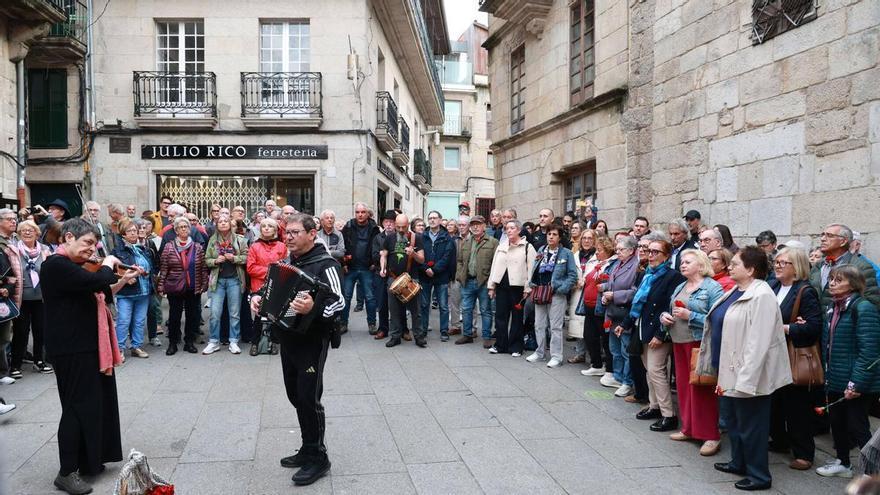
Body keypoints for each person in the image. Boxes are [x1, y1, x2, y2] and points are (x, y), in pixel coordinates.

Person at [42, 218, 140, 495]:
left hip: (88, 344)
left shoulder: (74, 267)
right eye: (87, 243)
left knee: (93, 405)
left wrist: (123, 279)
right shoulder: (55, 265)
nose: (91, 250)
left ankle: (88, 460)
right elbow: (97, 279)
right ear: (68, 237)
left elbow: (101, 291)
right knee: (76, 408)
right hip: (71, 348)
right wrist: (108, 263)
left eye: (94, 245)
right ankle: (66, 472)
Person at [249, 213, 343, 486]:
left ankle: (319, 457)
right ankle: (307, 447)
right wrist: (256, 298)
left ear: (312, 234)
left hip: (312, 341)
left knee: (308, 398)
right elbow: (269, 290)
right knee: (295, 395)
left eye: (294, 232)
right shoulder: (287, 262)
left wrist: (314, 308)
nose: (288, 237)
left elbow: (339, 302)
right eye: (286, 233)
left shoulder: (327, 264)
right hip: (288, 337)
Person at [699, 246, 792, 491]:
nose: (730, 266)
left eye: (736, 263)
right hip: (729, 369)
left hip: (748, 374)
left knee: (752, 427)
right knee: (734, 421)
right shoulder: (737, 289)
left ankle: (759, 476)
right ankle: (738, 462)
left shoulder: (762, 295)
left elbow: (758, 343)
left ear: (751, 270)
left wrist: (747, 379)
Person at [815, 265, 880, 479]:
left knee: (857, 426)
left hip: (855, 380)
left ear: (853, 284)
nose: (832, 283)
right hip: (836, 377)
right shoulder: (833, 307)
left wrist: (856, 383)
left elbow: (870, 351)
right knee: (838, 423)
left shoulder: (863, 308)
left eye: (839, 280)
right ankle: (843, 463)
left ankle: (873, 473)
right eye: (831, 279)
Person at [662, 249, 724, 456]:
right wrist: (665, 318)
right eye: (682, 262)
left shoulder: (712, 287)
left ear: (701, 264)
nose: (683, 265)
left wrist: (691, 315)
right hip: (679, 341)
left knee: (701, 388)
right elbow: (672, 310)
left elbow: (718, 318)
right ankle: (688, 428)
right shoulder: (681, 285)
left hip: (699, 344)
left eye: (688, 262)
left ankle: (711, 435)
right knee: (684, 387)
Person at [766, 247, 823, 470]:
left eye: (783, 263)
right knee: (775, 402)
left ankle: (804, 453)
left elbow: (813, 327)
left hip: (793, 355)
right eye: (777, 262)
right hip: (773, 353)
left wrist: (787, 328)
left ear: (796, 267)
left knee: (797, 406)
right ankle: (780, 440)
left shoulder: (805, 291)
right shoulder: (772, 286)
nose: (778, 266)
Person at [617, 240, 685, 425]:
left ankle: (669, 414)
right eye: (649, 251)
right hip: (643, 328)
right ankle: (654, 406)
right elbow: (639, 305)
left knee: (656, 371)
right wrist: (625, 323)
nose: (651, 255)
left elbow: (669, 308)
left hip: (659, 331)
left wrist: (660, 335)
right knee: (649, 370)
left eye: (656, 252)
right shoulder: (647, 274)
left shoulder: (673, 276)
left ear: (667, 256)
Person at [526, 223, 578, 368]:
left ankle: (556, 356)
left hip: (556, 294)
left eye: (554, 234)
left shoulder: (566, 253)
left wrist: (561, 289)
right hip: (540, 292)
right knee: (539, 324)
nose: (551, 237)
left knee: (555, 327)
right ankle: (540, 352)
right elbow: (535, 268)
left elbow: (572, 275)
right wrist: (532, 283)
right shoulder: (541, 250)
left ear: (559, 237)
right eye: (549, 234)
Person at [158, 217, 208, 355]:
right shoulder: (169, 247)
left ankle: (189, 342)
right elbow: (164, 268)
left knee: (192, 316)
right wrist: (161, 286)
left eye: (186, 226)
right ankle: (173, 343)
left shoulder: (197, 247)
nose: (184, 229)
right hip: (174, 286)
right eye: (181, 227)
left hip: (192, 286)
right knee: (174, 316)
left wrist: (204, 284)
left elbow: (203, 268)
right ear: (176, 230)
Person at [9, 220, 53, 378]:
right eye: (23, 230)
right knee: (21, 332)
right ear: (19, 234)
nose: (27, 233)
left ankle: (39, 361)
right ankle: (15, 365)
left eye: (30, 230)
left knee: (40, 330)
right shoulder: (13, 250)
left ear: (37, 233)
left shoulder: (45, 250)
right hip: (21, 298)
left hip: (41, 298)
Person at [599, 235, 639, 395]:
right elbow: (612, 283)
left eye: (621, 249)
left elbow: (635, 292)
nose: (618, 252)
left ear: (631, 250)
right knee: (614, 349)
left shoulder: (636, 266)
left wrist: (614, 295)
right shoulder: (618, 263)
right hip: (612, 313)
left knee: (625, 350)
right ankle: (617, 376)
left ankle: (627, 382)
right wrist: (605, 291)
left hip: (624, 314)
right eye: (617, 249)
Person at [488, 219, 535, 356]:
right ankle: (500, 345)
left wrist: (528, 288)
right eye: (507, 228)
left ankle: (516, 347)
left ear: (519, 230)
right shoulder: (501, 246)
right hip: (502, 285)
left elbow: (531, 269)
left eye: (512, 228)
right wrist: (491, 286)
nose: (509, 230)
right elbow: (494, 266)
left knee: (517, 317)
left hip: (518, 287)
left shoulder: (527, 247)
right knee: (500, 316)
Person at [203, 215, 248, 355]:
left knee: (234, 313)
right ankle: (213, 341)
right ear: (216, 225)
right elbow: (207, 260)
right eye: (220, 222)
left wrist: (234, 258)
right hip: (218, 281)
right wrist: (216, 261)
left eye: (225, 221)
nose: (223, 223)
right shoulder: (212, 240)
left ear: (230, 224)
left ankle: (233, 341)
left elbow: (247, 257)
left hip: (235, 280)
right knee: (215, 313)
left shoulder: (240, 240)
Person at [380, 214, 427, 348]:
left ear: (408, 225)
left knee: (416, 311)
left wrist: (414, 254)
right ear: (395, 225)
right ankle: (395, 336)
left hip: (411, 278)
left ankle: (419, 336)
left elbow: (422, 259)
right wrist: (382, 268)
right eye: (398, 227)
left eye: (404, 227)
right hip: (393, 278)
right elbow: (384, 255)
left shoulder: (416, 238)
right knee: (394, 310)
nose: (401, 230)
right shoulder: (389, 238)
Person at [810, 223, 880, 311]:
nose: (822, 239)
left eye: (830, 236)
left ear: (843, 242)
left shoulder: (861, 266)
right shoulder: (818, 265)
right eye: (823, 235)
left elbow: (871, 303)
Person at [111, 218, 153, 360]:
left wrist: (147, 272)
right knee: (123, 320)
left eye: (135, 230)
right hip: (126, 292)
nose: (134, 233)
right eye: (129, 231)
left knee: (139, 321)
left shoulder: (144, 248)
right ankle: (119, 349)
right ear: (123, 234)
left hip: (144, 290)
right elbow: (112, 270)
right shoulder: (117, 250)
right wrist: (125, 277)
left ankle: (136, 346)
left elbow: (151, 266)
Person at [454, 215, 499, 347]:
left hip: (484, 282)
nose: (475, 227)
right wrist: (460, 275)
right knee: (466, 309)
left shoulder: (493, 242)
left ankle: (486, 337)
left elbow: (496, 263)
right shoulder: (466, 242)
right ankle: (467, 335)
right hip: (467, 281)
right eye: (473, 225)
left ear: (484, 226)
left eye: (478, 224)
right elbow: (460, 261)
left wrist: (492, 283)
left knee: (486, 310)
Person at [246, 217, 288, 355]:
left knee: (275, 314)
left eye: (270, 226)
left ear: (275, 230)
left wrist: (275, 273)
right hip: (259, 285)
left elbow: (285, 266)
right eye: (264, 226)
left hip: (277, 285)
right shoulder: (254, 246)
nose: (266, 228)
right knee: (258, 315)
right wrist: (271, 272)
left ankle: (275, 341)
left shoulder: (282, 246)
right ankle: (255, 342)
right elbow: (251, 268)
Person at [340, 203, 380, 334]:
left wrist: (374, 262)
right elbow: (342, 246)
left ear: (368, 213)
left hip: (367, 268)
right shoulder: (348, 226)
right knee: (346, 296)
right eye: (357, 212)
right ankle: (343, 323)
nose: (360, 215)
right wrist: (344, 263)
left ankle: (372, 323)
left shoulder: (374, 228)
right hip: (350, 267)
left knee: (370, 297)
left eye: (363, 212)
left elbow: (378, 246)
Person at [580, 235, 616, 377]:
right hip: (589, 305)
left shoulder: (611, 265)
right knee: (589, 336)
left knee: (605, 338)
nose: (596, 253)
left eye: (599, 250)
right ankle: (596, 364)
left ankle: (610, 369)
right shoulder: (597, 264)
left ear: (607, 250)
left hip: (600, 307)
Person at [419, 211, 455, 341]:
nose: (432, 220)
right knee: (424, 305)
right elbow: (419, 255)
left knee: (443, 306)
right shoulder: (422, 237)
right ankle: (423, 330)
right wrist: (426, 268)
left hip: (441, 276)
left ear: (440, 220)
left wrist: (434, 270)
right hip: (425, 276)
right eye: (430, 218)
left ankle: (444, 331)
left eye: (435, 218)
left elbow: (447, 256)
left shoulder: (447, 237)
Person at [568, 228, 597, 363]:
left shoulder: (597, 256)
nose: (586, 241)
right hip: (577, 292)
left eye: (590, 238)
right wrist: (575, 282)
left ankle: (594, 356)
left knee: (591, 326)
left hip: (591, 293)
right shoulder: (575, 255)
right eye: (584, 238)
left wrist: (587, 281)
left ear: (594, 240)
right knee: (578, 324)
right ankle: (580, 354)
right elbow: (570, 273)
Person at [0, 209, 21, 383]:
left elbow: (11, 273)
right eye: (9, 219)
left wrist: (8, 286)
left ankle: (2, 372)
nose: (13, 222)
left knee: (4, 336)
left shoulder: (15, 239)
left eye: (15, 219)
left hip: (8, 293)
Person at [371, 210, 398, 340]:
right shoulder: (378, 238)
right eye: (386, 222)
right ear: (382, 223)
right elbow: (374, 255)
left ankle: (400, 328)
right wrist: (382, 254)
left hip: (395, 274)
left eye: (391, 222)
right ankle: (383, 328)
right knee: (381, 303)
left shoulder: (400, 236)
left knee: (398, 303)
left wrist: (386, 254)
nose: (389, 225)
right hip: (380, 273)